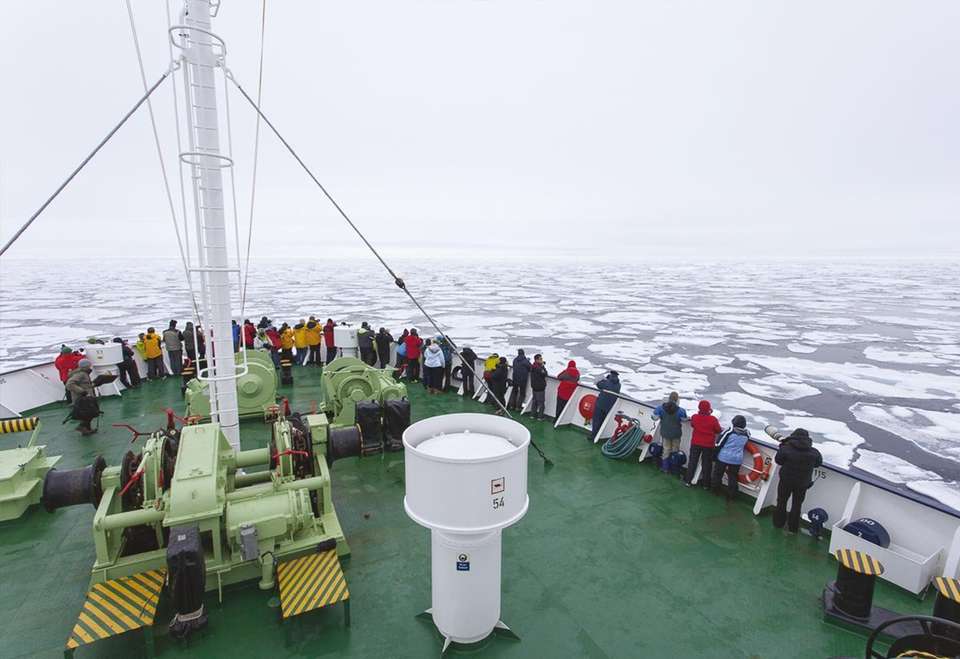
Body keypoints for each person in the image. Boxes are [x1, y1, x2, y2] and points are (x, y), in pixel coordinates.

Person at [773, 428, 823, 533]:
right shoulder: (814, 452)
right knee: (797, 504)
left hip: (786, 481)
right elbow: (818, 463)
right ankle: (793, 527)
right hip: (802, 484)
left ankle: (778, 523)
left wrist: (782, 447)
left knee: (781, 501)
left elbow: (778, 460)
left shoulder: (786, 449)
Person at [712, 415, 750, 499]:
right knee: (733, 477)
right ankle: (732, 495)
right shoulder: (747, 434)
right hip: (737, 459)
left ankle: (715, 490)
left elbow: (718, 443)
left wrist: (714, 455)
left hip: (724, 457)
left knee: (718, 474)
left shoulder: (729, 431)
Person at [685, 400, 721, 489]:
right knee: (706, 464)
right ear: (709, 409)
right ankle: (706, 484)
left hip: (696, 443)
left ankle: (688, 481)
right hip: (708, 445)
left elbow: (693, 424)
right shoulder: (713, 419)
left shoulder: (695, 417)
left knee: (693, 462)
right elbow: (718, 430)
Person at [652, 392, 688, 473]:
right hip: (676, 434)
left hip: (665, 432)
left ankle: (665, 467)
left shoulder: (660, 408)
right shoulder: (681, 411)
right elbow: (684, 420)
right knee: (675, 450)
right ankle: (674, 468)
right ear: (677, 399)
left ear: (669, 398)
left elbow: (654, 417)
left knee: (666, 449)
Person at [65, 359, 98, 435]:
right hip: (82, 398)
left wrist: (93, 384)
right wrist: (82, 391)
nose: (90, 367)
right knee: (89, 413)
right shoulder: (81, 374)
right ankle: (81, 427)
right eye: (89, 365)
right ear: (86, 366)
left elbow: (84, 384)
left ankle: (87, 430)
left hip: (85, 397)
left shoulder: (84, 373)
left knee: (87, 413)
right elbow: (69, 384)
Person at [591, 371, 621, 440]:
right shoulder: (619, 385)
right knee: (602, 421)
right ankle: (599, 436)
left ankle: (593, 436)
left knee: (596, 421)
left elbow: (598, 384)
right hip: (609, 406)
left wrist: (605, 379)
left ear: (611, 375)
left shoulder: (606, 382)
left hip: (600, 404)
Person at [529, 354, 548, 419]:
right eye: (540, 359)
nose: (541, 360)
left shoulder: (533, 366)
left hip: (534, 387)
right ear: (537, 360)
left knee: (534, 401)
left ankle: (532, 415)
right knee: (541, 402)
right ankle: (540, 416)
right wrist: (543, 366)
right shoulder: (539, 368)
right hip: (540, 387)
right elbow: (545, 374)